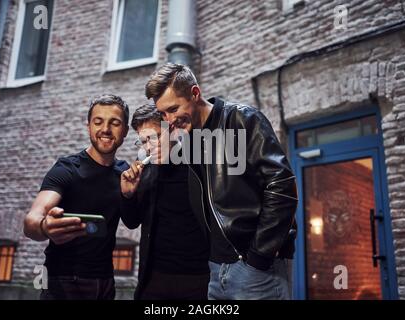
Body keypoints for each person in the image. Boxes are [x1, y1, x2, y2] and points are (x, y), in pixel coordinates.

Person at [145, 63, 298, 300]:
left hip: (253, 269)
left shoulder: (242, 119)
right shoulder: (188, 138)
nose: (169, 120)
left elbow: (282, 186)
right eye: (163, 114)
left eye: (173, 109)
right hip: (215, 271)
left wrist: (258, 256)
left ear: (195, 93)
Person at [23, 94, 130, 300]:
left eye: (114, 123)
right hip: (62, 281)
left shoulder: (125, 173)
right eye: (98, 122)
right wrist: (45, 227)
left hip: (105, 282)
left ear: (125, 130)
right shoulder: (67, 168)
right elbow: (31, 222)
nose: (105, 129)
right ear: (89, 126)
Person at [120, 104, 209, 300]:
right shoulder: (147, 168)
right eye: (144, 141)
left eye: (156, 136)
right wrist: (128, 195)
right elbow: (132, 221)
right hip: (154, 276)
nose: (151, 146)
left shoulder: (198, 161)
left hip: (199, 276)